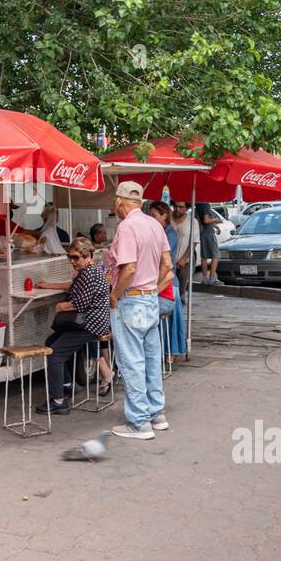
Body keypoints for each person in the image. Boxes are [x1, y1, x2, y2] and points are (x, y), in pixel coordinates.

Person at [107, 181, 173, 440]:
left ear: (120, 202)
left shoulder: (127, 227)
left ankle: (139, 423)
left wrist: (115, 294)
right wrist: (151, 290)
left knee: (132, 361)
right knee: (151, 358)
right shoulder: (155, 224)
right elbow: (167, 265)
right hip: (149, 300)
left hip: (131, 300)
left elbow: (129, 268)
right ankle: (157, 414)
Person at [33, 236, 113, 415]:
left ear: (88, 256)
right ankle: (67, 385)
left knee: (54, 354)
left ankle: (58, 401)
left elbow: (80, 304)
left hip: (90, 324)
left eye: (76, 257)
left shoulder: (89, 274)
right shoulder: (90, 271)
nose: (72, 261)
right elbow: (71, 288)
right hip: (91, 322)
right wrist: (49, 285)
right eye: (70, 257)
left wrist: (63, 306)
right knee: (50, 342)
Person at [149, 202, 187, 360]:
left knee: (171, 322)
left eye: (154, 216)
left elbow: (166, 260)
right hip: (161, 280)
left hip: (169, 282)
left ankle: (168, 352)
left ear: (163, 216)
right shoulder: (156, 231)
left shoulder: (169, 232)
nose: (151, 219)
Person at [170, 200, 198, 305]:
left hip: (183, 261)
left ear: (186, 208)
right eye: (176, 206)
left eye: (181, 207)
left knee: (181, 289)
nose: (177, 209)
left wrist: (184, 258)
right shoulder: (168, 218)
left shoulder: (192, 222)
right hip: (168, 261)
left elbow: (194, 242)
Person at [198, 205, 223, 285]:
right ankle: (212, 278)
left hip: (203, 233)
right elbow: (206, 220)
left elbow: (204, 221)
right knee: (216, 255)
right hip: (209, 233)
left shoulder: (198, 204)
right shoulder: (206, 205)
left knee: (204, 257)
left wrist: (216, 227)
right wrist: (216, 220)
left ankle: (205, 278)